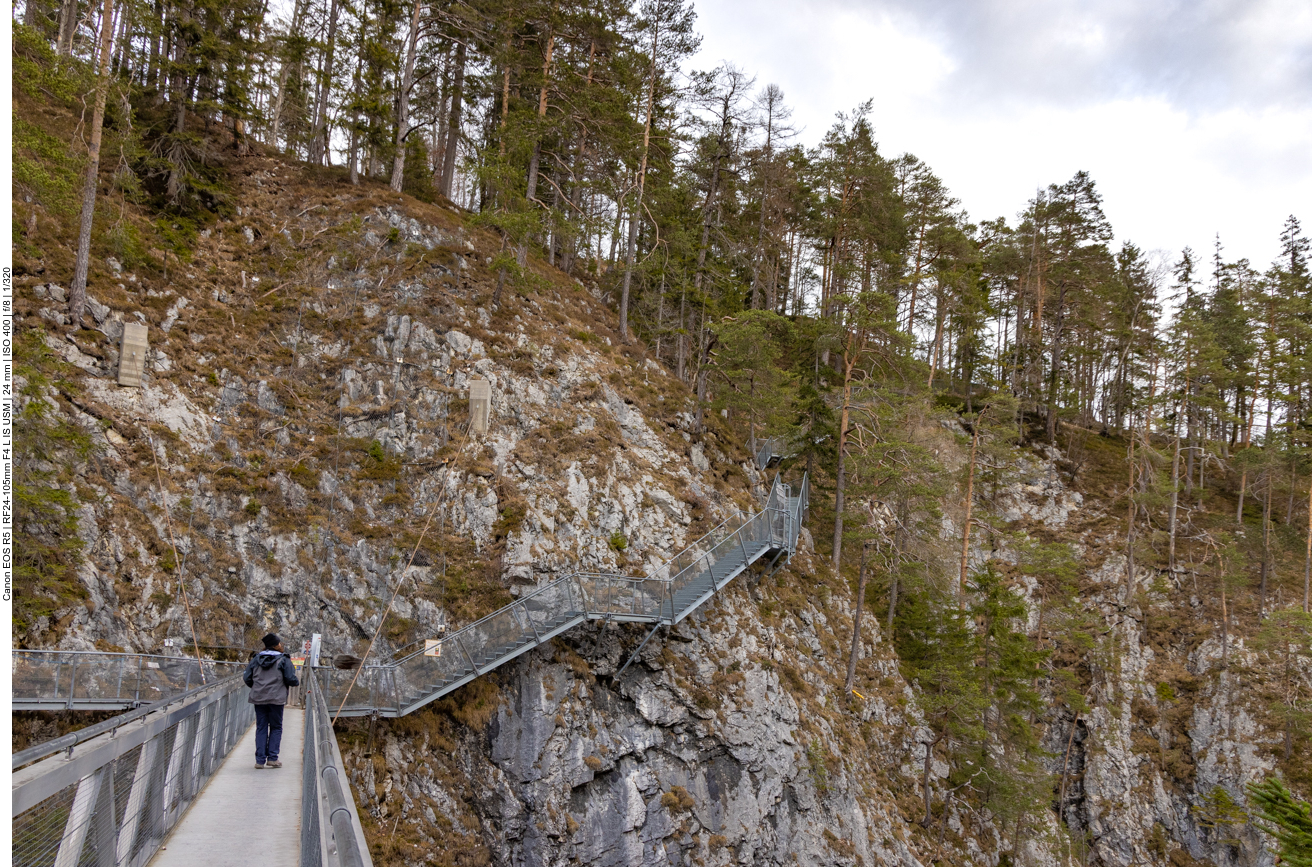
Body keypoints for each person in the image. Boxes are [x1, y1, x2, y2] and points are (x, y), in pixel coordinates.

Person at [243, 633, 299, 769]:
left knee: (261, 727)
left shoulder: (256, 659)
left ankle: (260, 760)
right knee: (276, 727)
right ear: (275, 645)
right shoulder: (283, 660)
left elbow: (247, 677)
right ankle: (273, 758)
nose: (281, 645)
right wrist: (293, 682)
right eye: (279, 643)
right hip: (276, 699)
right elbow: (291, 678)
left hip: (259, 698)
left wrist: (257, 688)